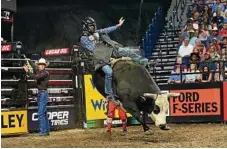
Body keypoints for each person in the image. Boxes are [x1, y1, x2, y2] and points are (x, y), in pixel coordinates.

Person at [79, 17, 154, 105]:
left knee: (127, 51)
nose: (94, 28)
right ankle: (109, 94)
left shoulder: (97, 33)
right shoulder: (83, 39)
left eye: (94, 26)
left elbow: (107, 29)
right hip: (99, 59)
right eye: (91, 26)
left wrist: (118, 25)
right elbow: (93, 49)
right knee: (109, 72)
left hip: (109, 51)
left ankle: (144, 62)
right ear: (86, 27)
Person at [23, 58, 50, 136]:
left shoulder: (45, 73)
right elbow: (34, 68)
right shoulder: (42, 71)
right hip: (42, 93)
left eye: (42, 65)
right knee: (44, 113)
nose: (40, 66)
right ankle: (46, 131)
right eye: (40, 65)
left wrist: (27, 71)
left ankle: (43, 131)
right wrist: (29, 60)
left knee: (41, 113)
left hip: (43, 93)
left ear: (44, 66)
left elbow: (36, 77)